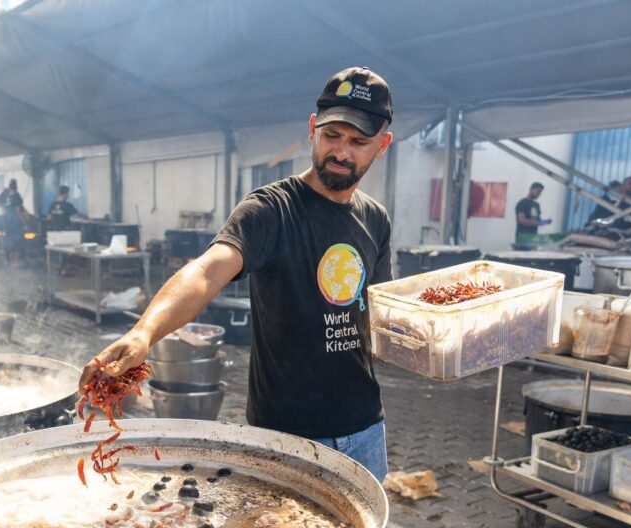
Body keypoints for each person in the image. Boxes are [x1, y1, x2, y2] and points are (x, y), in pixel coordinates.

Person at [79, 67, 395, 481]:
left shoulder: (376, 219)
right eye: (332, 135)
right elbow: (206, 274)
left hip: (364, 430)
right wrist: (144, 332)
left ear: (382, 146)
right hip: (285, 435)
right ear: (312, 129)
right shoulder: (270, 210)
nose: (341, 152)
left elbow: (381, 312)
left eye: (359, 142)